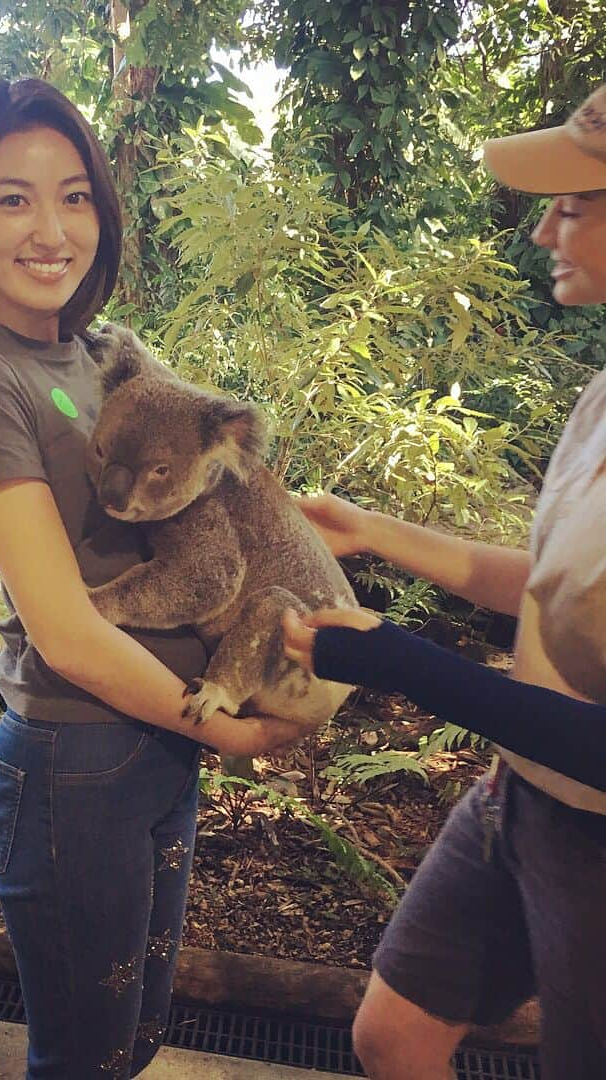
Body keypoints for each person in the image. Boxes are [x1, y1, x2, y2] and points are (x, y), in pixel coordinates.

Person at [0, 79, 304, 1080]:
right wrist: (241, 733)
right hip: (73, 763)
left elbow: (222, 477)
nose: (52, 228)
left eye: (75, 195)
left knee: (134, 1039)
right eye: (13, 198)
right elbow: (69, 633)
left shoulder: (103, 354)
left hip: (156, 751)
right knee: (82, 1057)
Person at [282, 85, 606, 1080]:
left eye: (579, 203)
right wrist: (376, 533)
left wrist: (397, 662)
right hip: (521, 795)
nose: (545, 225)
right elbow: (555, 587)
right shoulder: (600, 394)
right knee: (394, 1033)